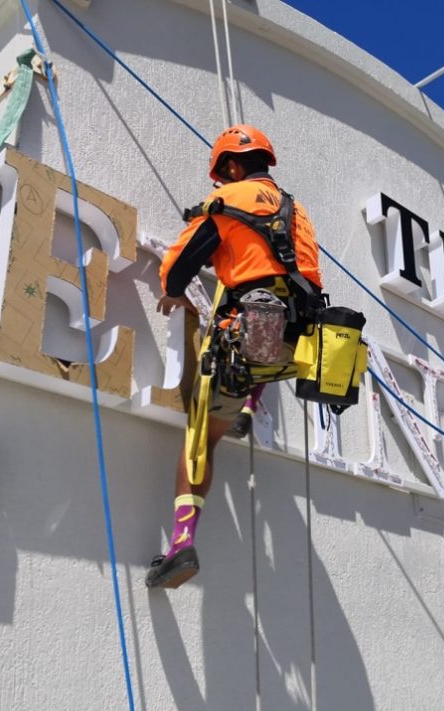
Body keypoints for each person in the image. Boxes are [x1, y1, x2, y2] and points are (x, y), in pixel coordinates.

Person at [146, 124, 323, 589]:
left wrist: (174, 293)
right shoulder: (297, 211)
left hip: (251, 334)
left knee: (198, 440)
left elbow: (177, 264)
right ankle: (250, 403)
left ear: (228, 166)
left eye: (221, 174)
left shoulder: (226, 204)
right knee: (263, 331)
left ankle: (181, 543)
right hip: (299, 340)